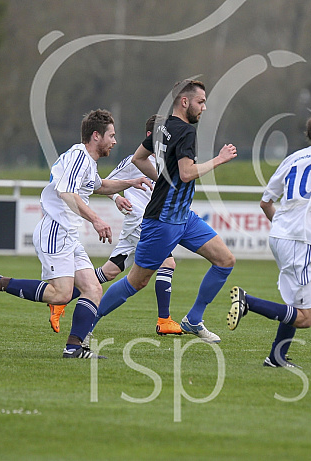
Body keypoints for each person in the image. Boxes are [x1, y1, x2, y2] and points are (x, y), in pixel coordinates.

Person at [0, 109, 152, 359]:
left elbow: (100, 186)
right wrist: (97, 219)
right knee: (61, 294)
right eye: (111, 135)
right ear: (96, 136)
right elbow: (67, 194)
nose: (115, 141)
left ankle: (74, 348)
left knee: (93, 289)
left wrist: (129, 183)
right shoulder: (79, 156)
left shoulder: (87, 161)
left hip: (67, 234)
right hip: (56, 230)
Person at [78, 79, 238, 347]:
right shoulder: (186, 132)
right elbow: (186, 173)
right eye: (201, 102)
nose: (205, 108)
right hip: (163, 220)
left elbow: (139, 159)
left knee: (225, 260)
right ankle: (85, 326)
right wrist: (219, 160)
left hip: (183, 216)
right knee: (135, 282)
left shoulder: (162, 128)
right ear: (184, 102)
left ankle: (193, 319)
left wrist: (165, 179)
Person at [228, 110, 311, 367]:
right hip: (300, 240)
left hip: (279, 236)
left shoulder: (292, 159)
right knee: (306, 316)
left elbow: (265, 203)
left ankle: (277, 356)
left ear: (309, 136)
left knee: (292, 303)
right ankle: (247, 302)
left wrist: (283, 228)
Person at [47, 115, 181, 337]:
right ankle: (164, 320)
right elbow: (103, 183)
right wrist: (117, 198)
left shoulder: (168, 162)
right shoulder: (134, 161)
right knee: (168, 262)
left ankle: (62, 300)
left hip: (142, 225)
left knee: (109, 272)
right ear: (150, 137)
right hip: (140, 221)